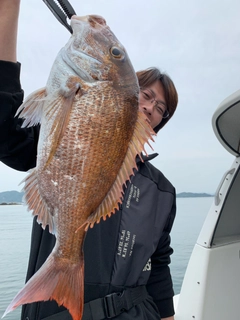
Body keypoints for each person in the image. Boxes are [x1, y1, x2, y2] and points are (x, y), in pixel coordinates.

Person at [0, 1, 178, 320]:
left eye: (161, 108)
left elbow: (159, 265)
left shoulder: (163, 191)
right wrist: (7, 12)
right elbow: (4, 135)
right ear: (127, 95)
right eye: (146, 95)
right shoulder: (65, 129)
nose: (152, 107)